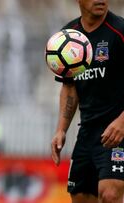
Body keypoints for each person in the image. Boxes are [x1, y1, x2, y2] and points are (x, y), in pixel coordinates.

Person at [50, 0, 124, 202]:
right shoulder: (69, 35)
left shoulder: (120, 31)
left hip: (118, 133)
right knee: (80, 196)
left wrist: (122, 122)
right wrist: (61, 129)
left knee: (110, 194)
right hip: (87, 133)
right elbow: (69, 86)